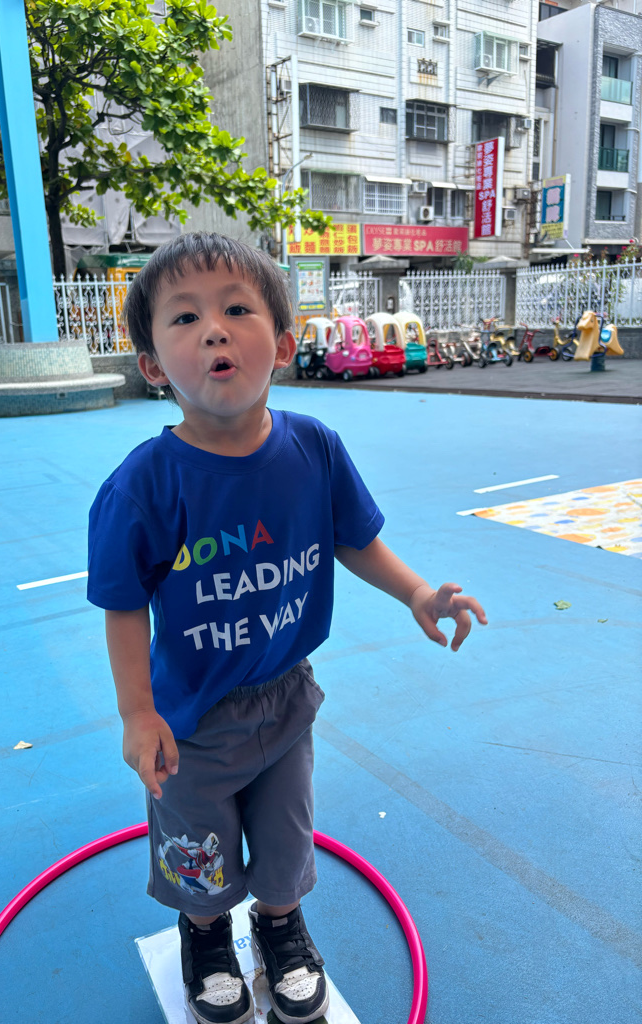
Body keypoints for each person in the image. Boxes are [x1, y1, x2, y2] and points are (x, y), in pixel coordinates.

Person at [87, 232, 487, 1024]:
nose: (214, 329)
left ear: (283, 343)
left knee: (286, 835)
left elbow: (353, 537)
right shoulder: (144, 485)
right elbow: (123, 603)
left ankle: (280, 926)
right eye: (185, 318)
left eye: (237, 310)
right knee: (199, 847)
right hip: (192, 718)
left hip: (287, 697)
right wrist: (138, 712)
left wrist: (415, 592)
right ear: (154, 366)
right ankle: (207, 936)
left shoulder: (313, 448)